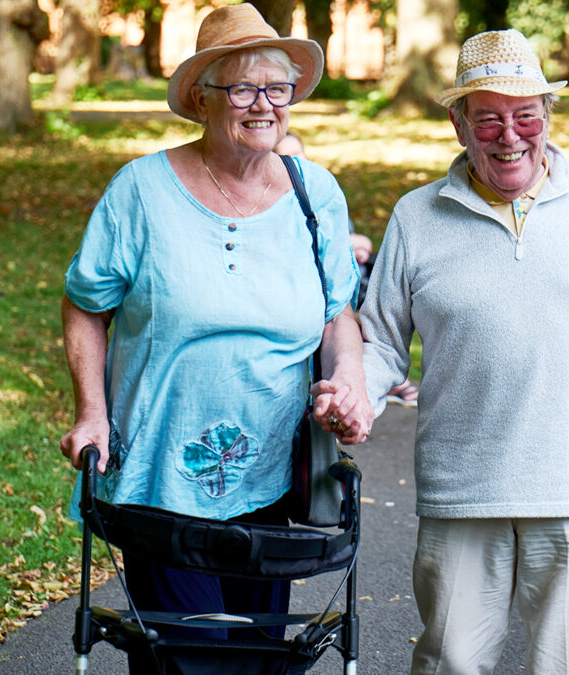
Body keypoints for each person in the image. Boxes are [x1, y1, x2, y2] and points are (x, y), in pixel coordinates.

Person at [334, 28, 569, 674]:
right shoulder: (416, 216)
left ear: (549, 117)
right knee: (449, 662)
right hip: (464, 486)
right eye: (488, 119)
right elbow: (379, 339)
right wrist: (355, 397)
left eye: (525, 116)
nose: (510, 135)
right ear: (459, 125)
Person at [57, 3, 372, 669]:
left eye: (277, 87)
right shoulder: (141, 191)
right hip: (156, 481)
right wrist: (91, 410)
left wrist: (350, 377)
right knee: (196, 659)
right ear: (203, 98)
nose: (265, 104)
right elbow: (85, 302)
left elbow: (336, 312)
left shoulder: (317, 194)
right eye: (243, 88)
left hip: (273, 487)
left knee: (258, 657)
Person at [277, 130, 420, 407]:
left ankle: (378, 379)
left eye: (298, 155)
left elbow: (356, 244)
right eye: (284, 157)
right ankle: (384, 381)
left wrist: (353, 246)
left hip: (349, 286)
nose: (294, 162)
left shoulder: (319, 196)